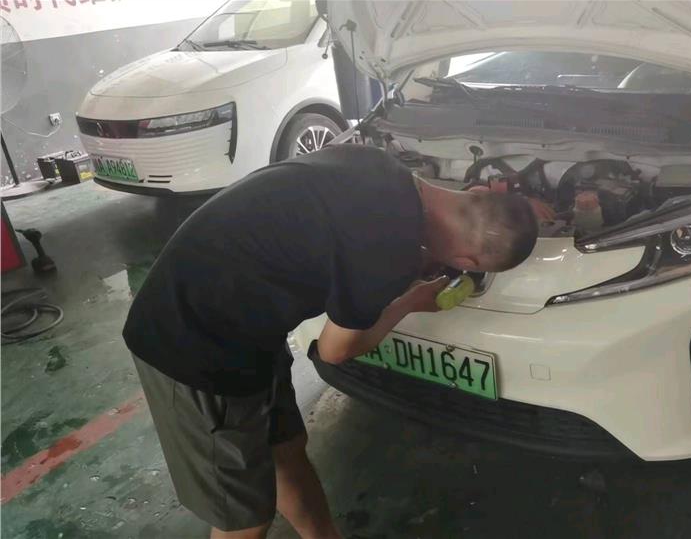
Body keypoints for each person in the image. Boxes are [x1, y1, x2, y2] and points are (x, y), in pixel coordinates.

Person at [123, 144, 539, 539]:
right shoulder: (388, 252)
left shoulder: (381, 164)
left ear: (477, 191)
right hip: (190, 341)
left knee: (287, 450)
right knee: (243, 518)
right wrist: (409, 303)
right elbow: (334, 350)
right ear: (466, 263)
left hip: (244, 322)